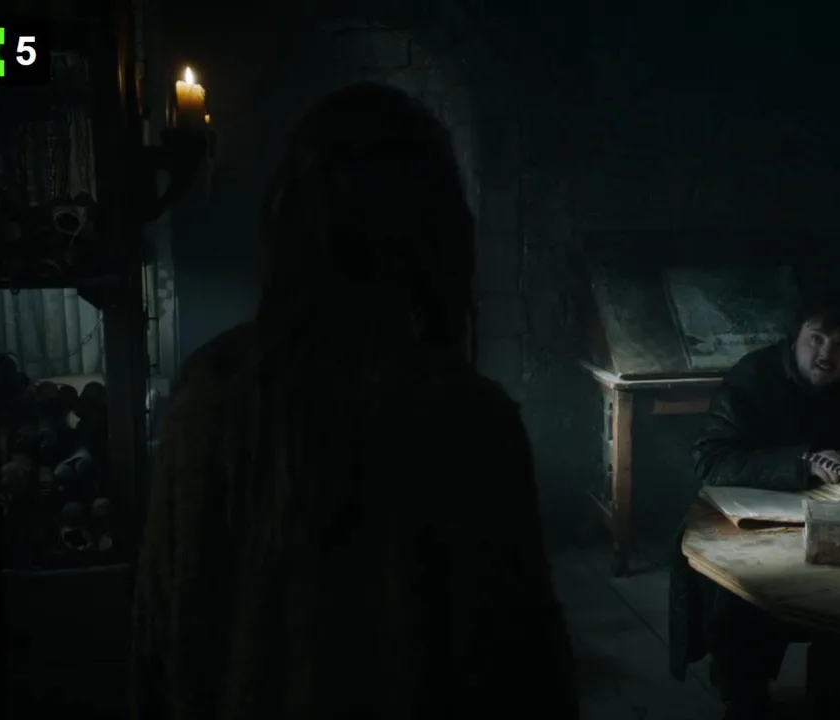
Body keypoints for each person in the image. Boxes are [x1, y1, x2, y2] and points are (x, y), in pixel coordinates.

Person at [130, 83, 578, 720]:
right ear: (435, 231)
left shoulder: (207, 397)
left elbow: (155, 650)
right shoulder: (464, 421)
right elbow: (528, 682)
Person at [668, 290, 840, 720]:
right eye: (816, 339)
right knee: (744, 598)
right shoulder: (754, 377)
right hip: (757, 522)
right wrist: (799, 464)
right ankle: (744, 700)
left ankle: (838, 697)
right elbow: (710, 459)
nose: (826, 355)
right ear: (795, 337)